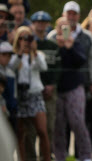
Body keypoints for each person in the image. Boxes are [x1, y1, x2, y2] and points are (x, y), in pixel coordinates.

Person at [50, 17, 92, 161]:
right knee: (58, 125)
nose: (63, 30)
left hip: (74, 87)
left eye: (66, 27)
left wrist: (70, 47)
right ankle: (60, 156)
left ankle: (85, 155)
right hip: (57, 89)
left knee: (77, 122)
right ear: (56, 28)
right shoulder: (52, 43)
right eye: (60, 27)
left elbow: (81, 61)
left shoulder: (75, 42)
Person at [9, 26, 51, 161]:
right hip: (20, 96)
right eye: (21, 38)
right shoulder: (14, 55)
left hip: (35, 94)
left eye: (28, 37)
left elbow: (43, 67)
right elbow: (10, 68)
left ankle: (46, 158)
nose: (25, 41)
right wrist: (20, 53)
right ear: (17, 40)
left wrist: (34, 51)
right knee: (21, 133)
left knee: (42, 131)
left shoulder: (37, 55)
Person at [25, 11, 60, 161]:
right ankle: (30, 157)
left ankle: (45, 156)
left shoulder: (52, 45)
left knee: (48, 127)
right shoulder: (28, 44)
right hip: (32, 90)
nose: (40, 25)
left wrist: (52, 85)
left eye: (43, 22)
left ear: (47, 25)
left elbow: (58, 67)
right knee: (30, 129)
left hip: (50, 90)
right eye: (37, 22)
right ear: (33, 24)